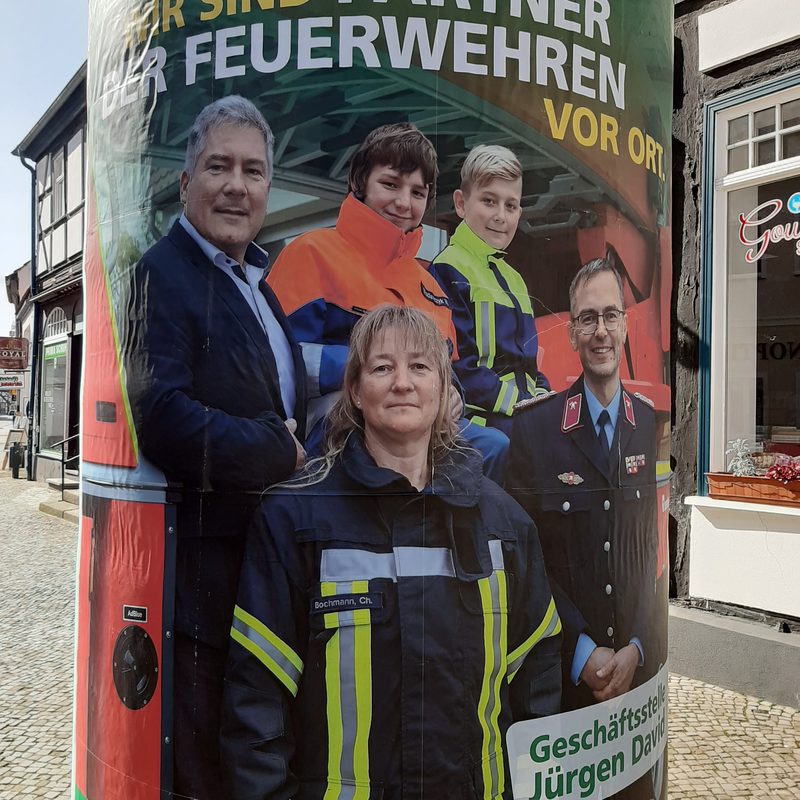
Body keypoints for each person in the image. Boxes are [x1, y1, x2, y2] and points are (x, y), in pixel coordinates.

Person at [220, 305, 562, 799]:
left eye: (420, 367)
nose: (403, 383)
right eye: (383, 367)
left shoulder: (504, 524)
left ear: (445, 390)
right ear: (355, 390)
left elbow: (536, 684)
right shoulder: (293, 519)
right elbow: (256, 705)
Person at [124, 96, 306, 799]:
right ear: (185, 182)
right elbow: (162, 416)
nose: (238, 184)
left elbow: (276, 401)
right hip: (206, 594)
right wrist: (277, 454)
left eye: (253, 170)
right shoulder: (162, 273)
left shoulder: (259, 283)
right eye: (219, 166)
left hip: (267, 578)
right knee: (212, 772)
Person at [266, 122, 508, 477]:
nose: (403, 202)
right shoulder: (309, 254)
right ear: (360, 182)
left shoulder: (431, 286)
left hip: (422, 425)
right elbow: (278, 363)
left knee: (493, 445)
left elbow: (449, 369)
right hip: (338, 426)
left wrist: (452, 390)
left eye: (417, 192)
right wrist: (368, 369)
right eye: (390, 184)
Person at [505, 258, 662, 712]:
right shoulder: (534, 429)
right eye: (587, 318)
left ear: (625, 325)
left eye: (610, 315)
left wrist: (637, 646)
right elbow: (525, 560)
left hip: (634, 676)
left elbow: (647, 549)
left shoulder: (646, 422)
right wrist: (581, 650)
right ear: (572, 332)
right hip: (562, 680)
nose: (600, 331)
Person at [429, 145, 549, 436]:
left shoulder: (516, 279)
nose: (500, 216)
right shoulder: (448, 268)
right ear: (460, 203)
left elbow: (528, 366)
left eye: (510, 205)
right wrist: (524, 406)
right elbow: (460, 368)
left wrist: (546, 396)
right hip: (480, 420)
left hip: (520, 414)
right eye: (489, 201)